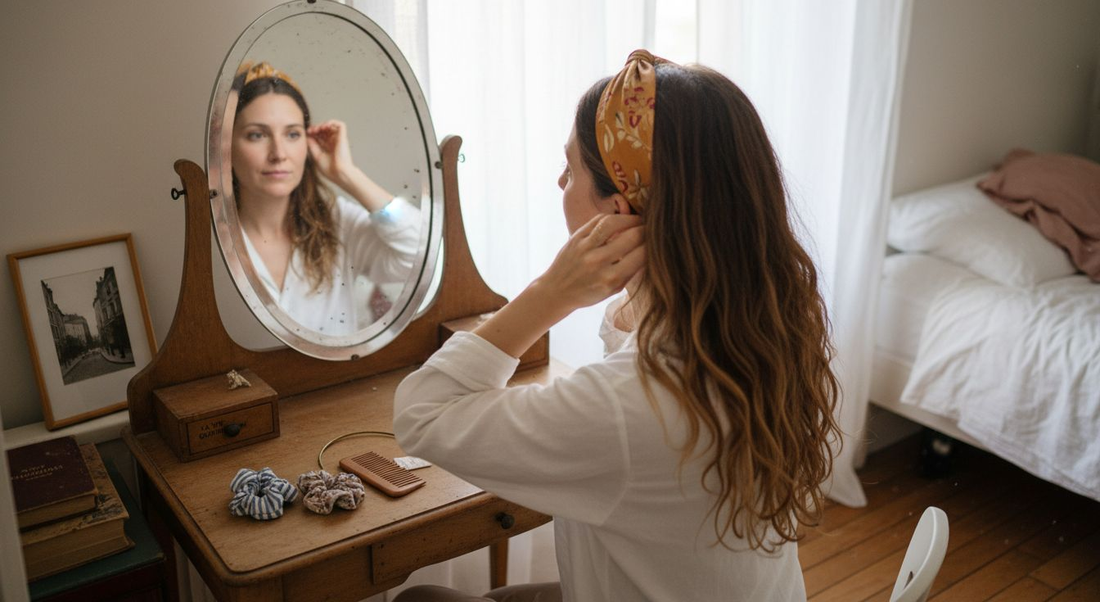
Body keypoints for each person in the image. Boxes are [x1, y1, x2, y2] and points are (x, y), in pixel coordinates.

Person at [392, 51, 841, 601]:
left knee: (418, 599)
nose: (560, 179)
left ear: (620, 208)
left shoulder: (635, 404)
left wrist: (549, 294)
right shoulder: (768, 321)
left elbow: (422, 414)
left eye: (573, 168)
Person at [229, 61, 421, 335]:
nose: (279, 153)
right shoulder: (212, 241)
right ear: (226, 146)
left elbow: (419, 256)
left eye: (292, 134)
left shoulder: (337, 222)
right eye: (257, 135)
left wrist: (347, 174)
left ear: (306, 143)